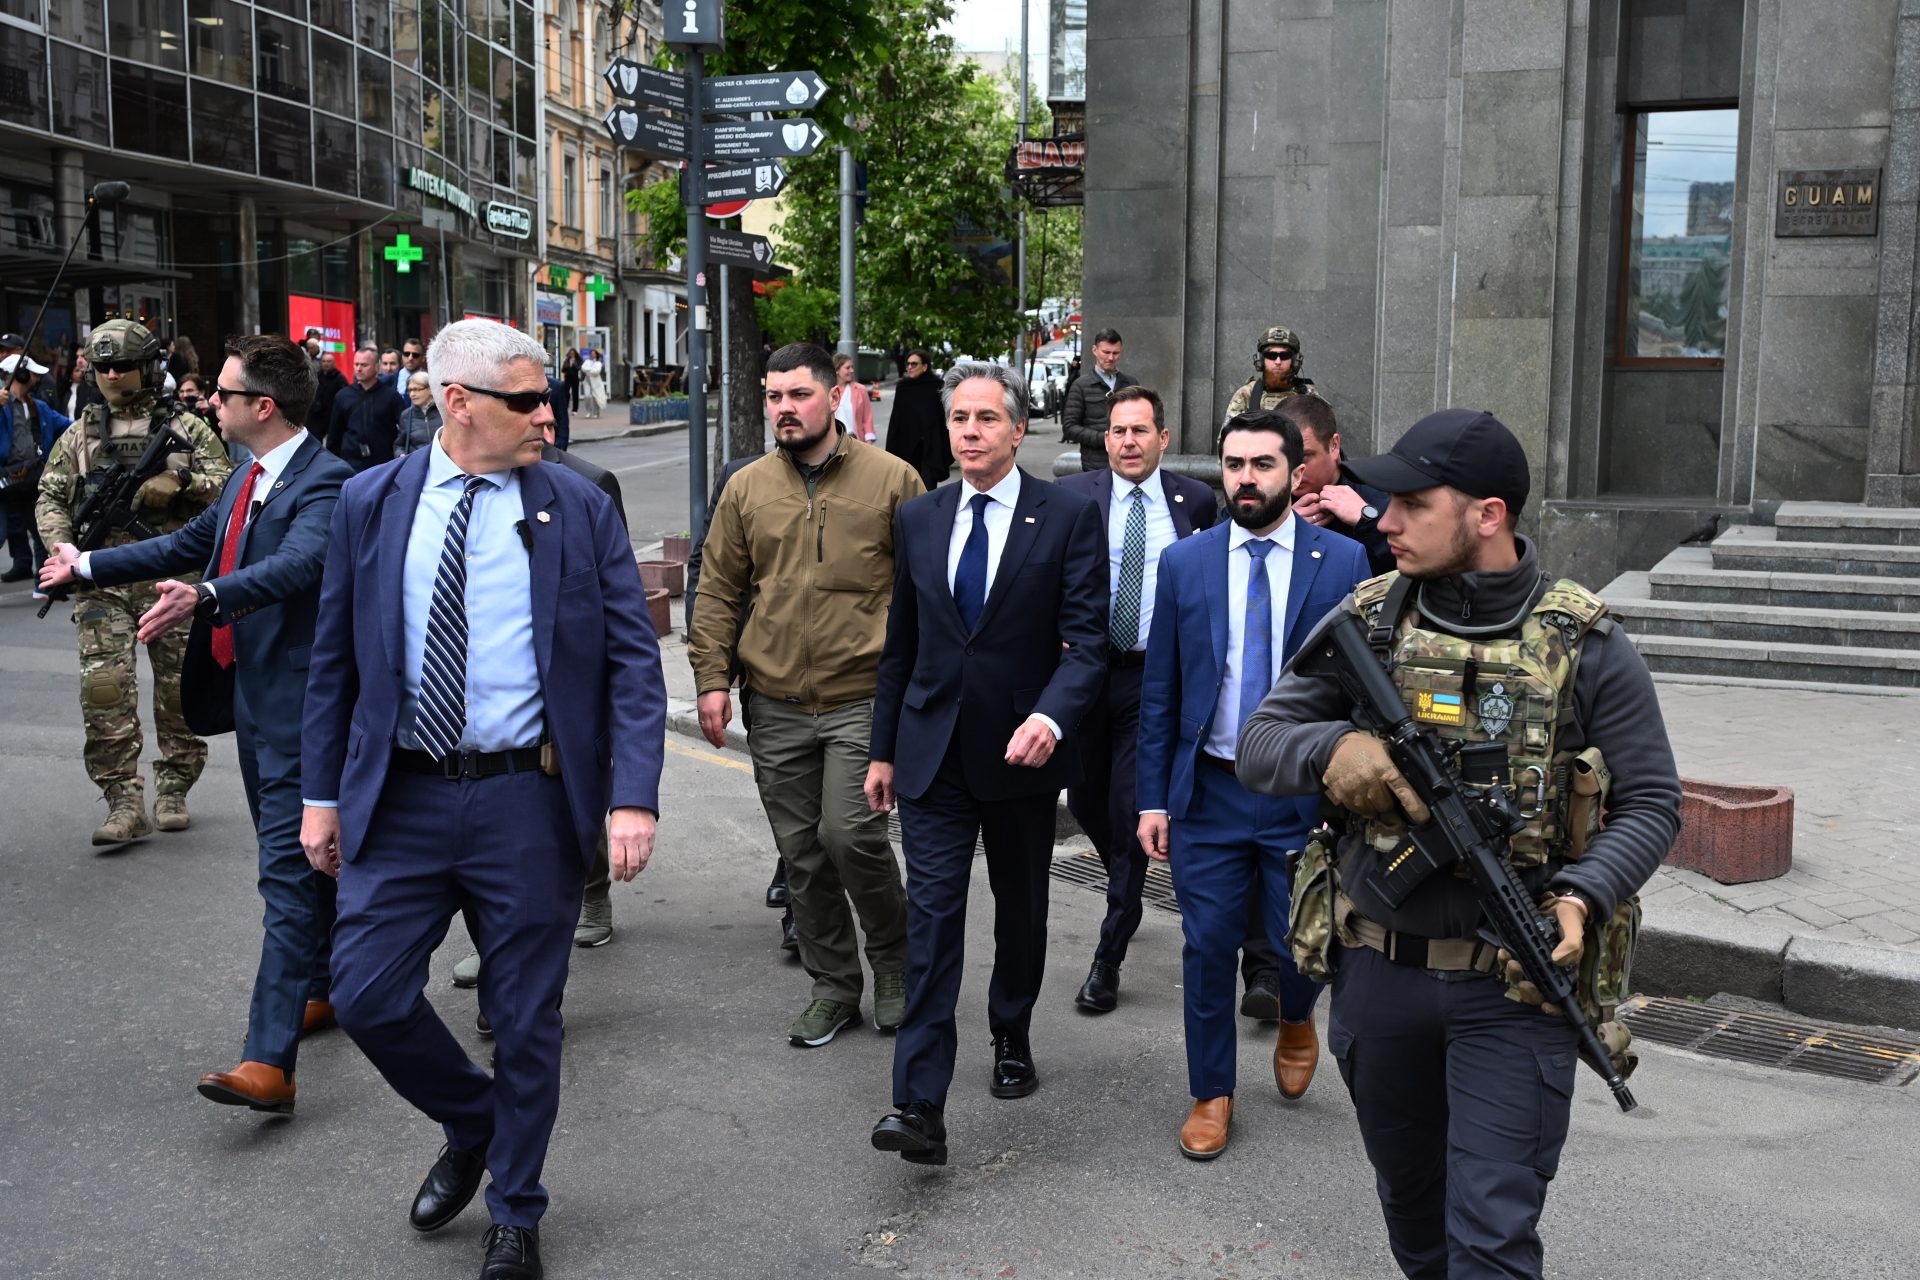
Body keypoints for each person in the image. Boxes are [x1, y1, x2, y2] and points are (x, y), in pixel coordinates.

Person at [1236, 408, 1682, 1279]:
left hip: (1511, 997)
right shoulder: (1367, 618)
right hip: (1379, 974)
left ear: (1487, 515)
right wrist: (1334, 750)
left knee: (1493, 1242)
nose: (1386, 518)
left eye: (1413, 502)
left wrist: (1584, 894)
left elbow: (1654, 801)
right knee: (1413, 1218)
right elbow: (1261, 743)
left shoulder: (1586, 643)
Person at [299, 319, 666, 1280]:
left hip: (526, 805)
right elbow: (333, 660)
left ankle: (516, 1209)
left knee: (525, 1015)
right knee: (370, 995)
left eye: (547, 396)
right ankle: (476, 1122)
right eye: (527, 400)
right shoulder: (371, 501)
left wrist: (633, 797)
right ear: (457, 403)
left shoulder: (576, 506)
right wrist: (321, 795)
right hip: (403, 799)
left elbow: (631, 659)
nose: (550, 414)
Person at [44, 333, 354, 1115]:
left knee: (287, 874)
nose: (207, 402)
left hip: (304, 714)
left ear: (263, 406)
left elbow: (299, 567)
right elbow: (190, 543)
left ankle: (268, 1062)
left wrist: (208, 597)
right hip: (253, 705)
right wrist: (84, 565)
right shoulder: (248, 475)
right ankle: (322, 986)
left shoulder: (328, 483)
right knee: (308, 864)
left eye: (221, 393)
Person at [865, 362, 1107, 1167]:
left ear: (1014, 428)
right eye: (959, 418)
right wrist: (883, 749)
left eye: (984, 419)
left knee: (1021, 911)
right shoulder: (920, 519)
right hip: (933, 757)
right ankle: (919, 1103)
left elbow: (1089, 644)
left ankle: (1011, 1031)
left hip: (1020, 754)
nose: (969, 431)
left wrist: (1050, 716)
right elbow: (901, 646)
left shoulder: (1066, 517)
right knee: (932, 925)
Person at [1134, 408, 1369, 1160]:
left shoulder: (1341, 564)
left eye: (1261, 465)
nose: (1244, 478)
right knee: (1205, 946)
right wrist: (1152, 795)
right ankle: (1212, 1092)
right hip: (1210, 790)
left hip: (1302, 790)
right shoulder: (1185, 564)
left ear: (1295, 472)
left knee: (1304, 943)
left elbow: (1360, 692)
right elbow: (1161, 693)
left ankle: (1298, 1016)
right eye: (1232, 464)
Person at [691, 343, 922, 1048]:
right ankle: (833, 987)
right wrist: (710, 679)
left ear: (833, 395)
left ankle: (894, 964)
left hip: (863, 698)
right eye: (774, 396)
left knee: (850, 837)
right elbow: (719, 588)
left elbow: (923, 592)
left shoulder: (893, 480)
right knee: (802, 856)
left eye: (798, 394)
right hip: (775, 700)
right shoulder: (747, 487)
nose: (784, 409)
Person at [34, 319, 233, 845]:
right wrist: (63, 548)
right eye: (103, 366)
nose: (113, 374)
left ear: (148, 367)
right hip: (101, 582)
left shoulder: (187, 428)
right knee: (103, 692)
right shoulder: (79, 434)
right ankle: (123, 798)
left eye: (123, 364)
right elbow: (50, 496)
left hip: (171, 583)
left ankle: (174, 786)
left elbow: (232, 487)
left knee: (177, 693)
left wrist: (182, 481)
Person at [1053, 386, 1218, 1012]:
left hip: (1154, 680)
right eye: (1118, 431)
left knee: (1129, 814)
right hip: (1089, 674)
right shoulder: (1072, 498)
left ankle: (1108, 955)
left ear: (1162, 439)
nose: (1127, 441)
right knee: (1089, 800)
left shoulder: (1194, 500)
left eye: (1140, 431)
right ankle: (1122, 873)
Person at [683, 451, 799, 958]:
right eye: (776, 396)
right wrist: (714, 659)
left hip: (841, 675)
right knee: (781, 784)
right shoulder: (741, 476)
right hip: (761, 663)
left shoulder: (879, 474)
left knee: (833, 810)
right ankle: (792, 858)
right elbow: (706, 569)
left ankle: (801, 903)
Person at [1278, 395, 1395, 577]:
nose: (1293, 470)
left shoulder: (1379, 494)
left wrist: (1369, 523)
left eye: (1303, 457)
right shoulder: (1260, 495)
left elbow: (1413, 572)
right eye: (1281, 459)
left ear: (1333, 445)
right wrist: (1278, 529)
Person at [2, 355, 69, 583]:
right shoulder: (2, 406)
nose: (37, 377)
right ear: (20, 374)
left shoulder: (38, 406)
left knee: (41, 531)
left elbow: (68, 426)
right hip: (4, 481)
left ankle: (44, 584)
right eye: (32, 372)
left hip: (31, 478)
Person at [1060, 328, 1138, 473]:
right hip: (1094, 464)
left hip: (1127, 461)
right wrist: (1104, 438)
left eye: (1115, 353)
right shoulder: (1080, 385)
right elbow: (1069, 427)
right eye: (1106, 352)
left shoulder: (1130, 383)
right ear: (1095, 350)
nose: (1110, 358)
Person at [326, 344, 406, 473]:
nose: (358, 369)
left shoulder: (391, 396)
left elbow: (404, 429)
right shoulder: (343, 396)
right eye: (356, 364)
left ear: (376, 366)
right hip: (351, 463)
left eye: (364, 365)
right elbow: (334, 434)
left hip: (384, 463)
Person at [1221, 326, 1320, 425]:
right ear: (1262, 360)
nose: (1278, 362)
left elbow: (1322, 436)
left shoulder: (1307, 394)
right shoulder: (1247, 394)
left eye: (1284, 356)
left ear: (1294, 361)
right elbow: (1228, 437)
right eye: (1271, 356)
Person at [884, 349, 950, 490]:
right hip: (906, 447)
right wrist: (891, 449)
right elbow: (896, 419)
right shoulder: (903, 387)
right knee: (907, 489)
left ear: (925, 366)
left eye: (914, 364)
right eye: (907, 364)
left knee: (928, 490)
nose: (909, 368)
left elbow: (942, 418)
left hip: (930, 448)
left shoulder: (937, 386)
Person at [395, 370, 442, 456]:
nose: (412, 394)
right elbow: (399, 445)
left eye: (417, 389)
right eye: (410, 390)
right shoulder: (406, 415)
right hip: (418, 464)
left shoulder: (443, 411)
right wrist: (401, 455)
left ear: (430, 389)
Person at [833, 353, 876, 442]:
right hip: (834, 442)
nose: (852, 370)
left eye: (852, 367)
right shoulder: (829, 391)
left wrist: (869, 441)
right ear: (837, 370)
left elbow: (867, 418)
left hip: (855, 440)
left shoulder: (860, 390)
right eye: (848, 368)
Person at [308, 350, 347, 439]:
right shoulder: (317, 376)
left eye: (329, 361)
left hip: (332, 415)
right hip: (316, 415)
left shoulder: (339, 378)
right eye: (324, 361)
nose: (326, 364)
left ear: (334, 363)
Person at [66, 351, 104, 420]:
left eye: (84, 357)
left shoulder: (103, 382)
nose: (79, 361)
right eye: (77, 357)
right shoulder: (81, 386)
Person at [579, 349, 605, 419]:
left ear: (596, 355)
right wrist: (591, 370)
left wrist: (589, 370)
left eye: (594, 353)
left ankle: (596, 412)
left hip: (596, 382)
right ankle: (588, 412)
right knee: (587, 396)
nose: (592, 355)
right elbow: (583, 368)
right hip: (587, 381)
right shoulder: (587, 361)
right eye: (591, 353)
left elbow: (597, 371)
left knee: (595, 397)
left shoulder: (598, 363)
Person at [560, 347, 582, 414]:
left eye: (573, 353)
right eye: (570, 353)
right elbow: (563, 370)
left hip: (575, 378)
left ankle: (575, 409)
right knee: (566, 393)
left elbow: (579, 368)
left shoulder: (578, 360)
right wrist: (566, 367)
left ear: (575, 354)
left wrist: (573, 363)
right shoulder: (567, 360)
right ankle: (566, 407)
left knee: (575, 394)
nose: (572, 354)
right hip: (568, 378)